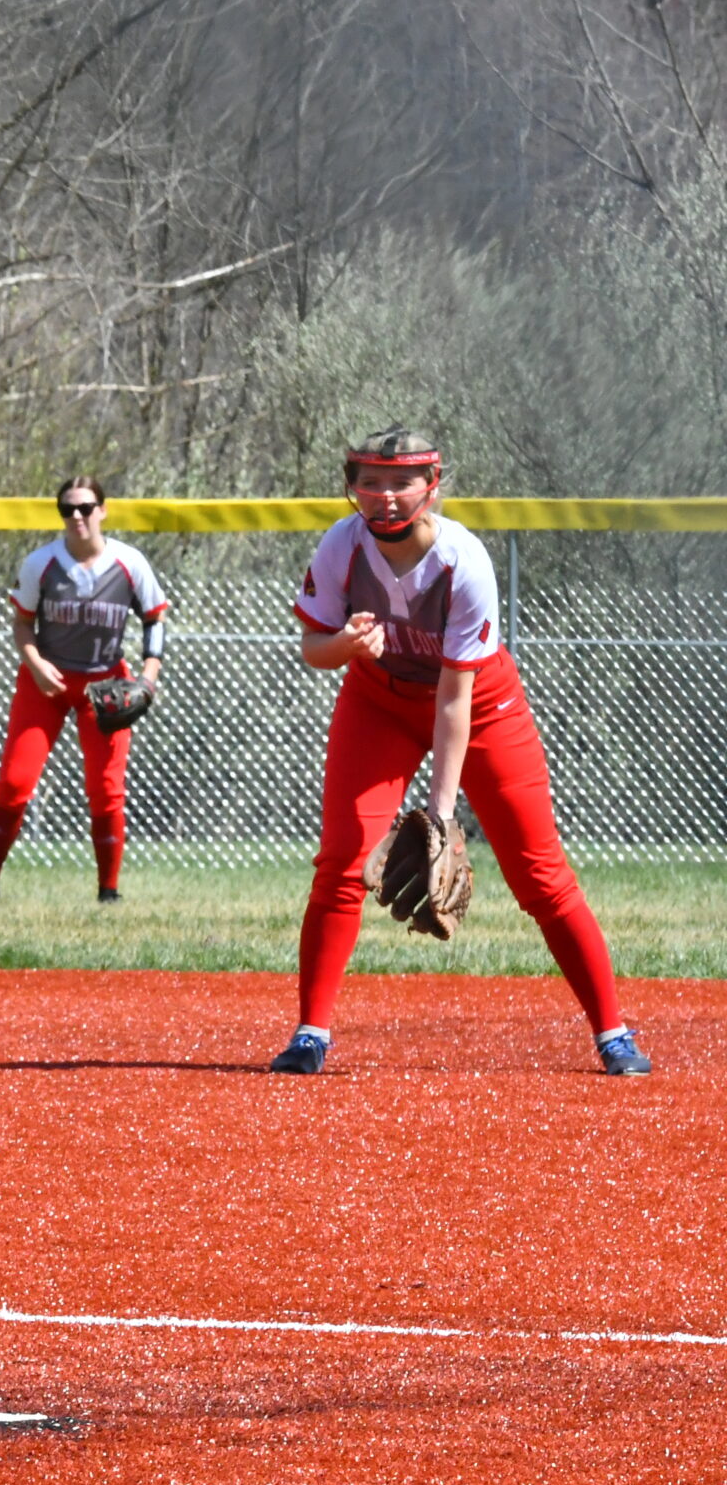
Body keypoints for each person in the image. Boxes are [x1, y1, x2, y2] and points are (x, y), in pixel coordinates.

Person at [271, 426, 650, 1077]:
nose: (385, 495)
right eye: (370, 480)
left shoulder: (462, 559)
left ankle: (612, 1031)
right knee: (342, 860)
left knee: (540, 876)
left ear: (432, 484)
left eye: (402, 481)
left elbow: (454, 696)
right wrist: (348, 647)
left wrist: (441, 814)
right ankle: (311, 1032)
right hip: (378, 700)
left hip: (481, 707)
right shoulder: (342, 543)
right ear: (350, 486)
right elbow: (312, 649)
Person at [0, 477, 168, 905]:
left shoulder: (129, 562)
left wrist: (148, 678)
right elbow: (22, 623)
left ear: (103, 510)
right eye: (67, 509)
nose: (77, 516)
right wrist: (35, 664)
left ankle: (108, 891)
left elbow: (154, 618)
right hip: (47, 681)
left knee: (106, 788)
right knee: (15, 782)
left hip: (105, 683)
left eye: (86, 507)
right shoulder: (42, 563)